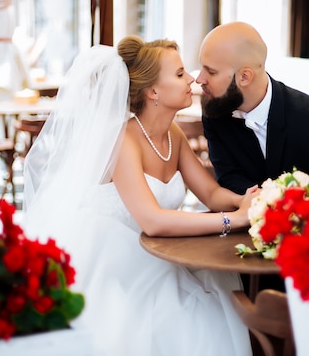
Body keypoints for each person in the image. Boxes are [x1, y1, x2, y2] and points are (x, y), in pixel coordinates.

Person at [23, 36, 257, 356]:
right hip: (113, 258)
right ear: (153, 91)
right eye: (178, 74)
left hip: (158, 249)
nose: (191, 78)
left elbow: (211, 191)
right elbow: (152, 220)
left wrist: (247, 200)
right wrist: (235, 219)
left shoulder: (173, 133)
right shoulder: (123, 139)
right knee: (186, 316)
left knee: (217, 290)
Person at [198, 21, 309, 211]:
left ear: (244, 77)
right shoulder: (216, 112)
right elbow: (229, 178)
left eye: (210, 71)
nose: (199, 79)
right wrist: (265, 204)